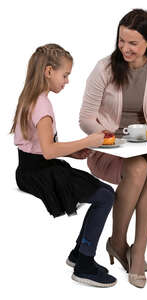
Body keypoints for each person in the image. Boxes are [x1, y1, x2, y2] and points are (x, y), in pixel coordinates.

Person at [79, 9, 147, 288]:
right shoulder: (104, 68)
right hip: (107, 149)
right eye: (122, 40)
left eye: (133, 42)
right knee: (138, 166)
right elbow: (85, 118)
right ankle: (118, 243)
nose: (125, 48)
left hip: (142, 145)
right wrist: (110, 137)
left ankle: (138, 252)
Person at [10, 44, 117, 288]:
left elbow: (39, 147)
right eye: (65, 74)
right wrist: (88, 140)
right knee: (105, 195)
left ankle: (79, 253)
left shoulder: (31, 98)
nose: (67, 81)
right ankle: (84, 264)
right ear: (49, 71)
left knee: (104, 194)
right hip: (39, 173)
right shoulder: (42, 105)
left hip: (29, 169)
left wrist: (73, 152)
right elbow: (48, 151)